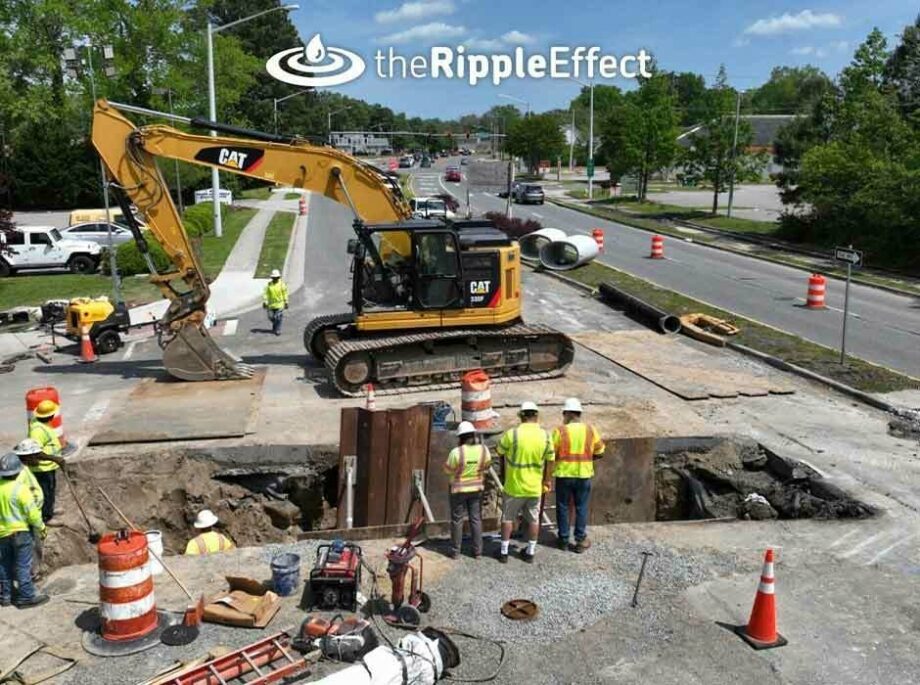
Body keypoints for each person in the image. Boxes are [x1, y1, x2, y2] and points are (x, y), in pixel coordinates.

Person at [495, 401, 554, 564]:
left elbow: (499, 451)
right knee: (534, 519)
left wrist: (503, 474)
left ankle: (504, 552)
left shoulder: (512, 434)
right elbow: (550, 460)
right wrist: (547, 481)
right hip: (535, 487)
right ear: (536, 416)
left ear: (521, 416)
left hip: (514, 486)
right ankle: (530, 552)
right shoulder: (545, 435)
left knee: (507, 518)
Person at [552, 398, 605, 553]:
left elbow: (551, 453)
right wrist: (588, 459)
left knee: (562, 507)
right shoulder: (590, 430)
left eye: (564, 413)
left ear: (568, 413)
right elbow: (600, 451)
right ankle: (580, 540)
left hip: (564, 475)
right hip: (583, 475)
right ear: (579, 413)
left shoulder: (559, 431)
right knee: (581, 507)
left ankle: (563, 540)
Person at [0, 452, 49, 608]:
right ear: (18, 471)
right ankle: (26, 597)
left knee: (4, 565)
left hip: (1, 535)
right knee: (22, 566)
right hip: (20, 533)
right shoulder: (21, 489)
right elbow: (32, 513)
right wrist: (41, 527)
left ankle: (5, 596)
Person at [443, 421, 491, 559]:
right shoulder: (484, 450)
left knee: (457, 520)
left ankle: (455, 551)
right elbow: (487, 466)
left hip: (458, 490)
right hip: (476, 489)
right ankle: (478, 552)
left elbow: (447, 470)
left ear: (460, 437)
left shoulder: (456, 453)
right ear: (474, 435)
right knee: (475, 519)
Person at [28, 400, 63, 523]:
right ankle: (46, 517)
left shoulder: (43, 424)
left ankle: (50, 509)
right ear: (51, 416)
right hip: (42, 468)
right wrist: (55, 459)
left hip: (49, 466)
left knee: (51, 488)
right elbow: (35, 452)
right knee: (45, 492)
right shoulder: (37, 431)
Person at [263, 269, 289, 336]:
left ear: (278, 277)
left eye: (276, 277)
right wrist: (265, 301)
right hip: (271, 305)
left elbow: (285, 293)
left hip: (279, 305)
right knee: (271, 317)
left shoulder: (282, 285)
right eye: (274, 277)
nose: (275, 279)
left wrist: (286, 302)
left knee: (278, 317)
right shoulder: (269, 285)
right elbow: (266, 293)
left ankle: (278, 329)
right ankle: (275, 324)